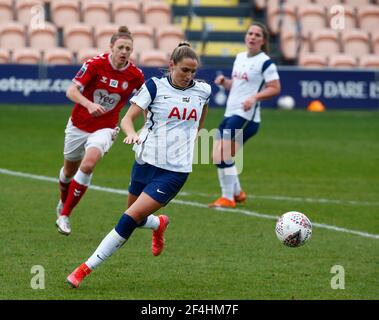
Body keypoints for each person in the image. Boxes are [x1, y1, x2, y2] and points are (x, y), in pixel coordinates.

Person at [66, 42, 211, 288]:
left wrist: (195, 133)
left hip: (174, 171)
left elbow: (202, 110)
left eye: (193, 71)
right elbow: (127, 119)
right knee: (136, 217)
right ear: (171, 66)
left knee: (128, 217)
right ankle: (158, 223)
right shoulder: (154, 87)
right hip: (145, 161)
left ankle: (83, 269)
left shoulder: (203, 90)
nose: (189, 76)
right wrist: (133, 133)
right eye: (184, 70)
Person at [55, 26, 145, 235]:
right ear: (111, 47)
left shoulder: (135, 74)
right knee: (69, 171)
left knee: (88, 165)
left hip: (105, 128)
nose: (124, 52)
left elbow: (145, 100)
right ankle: (63, 202)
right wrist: (89, 105)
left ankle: (65, 214)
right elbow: (71, 91)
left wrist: (146, 124)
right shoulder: (95, 65)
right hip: (78, 125)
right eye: (121, 47)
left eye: (128, 49)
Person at [208, 22, 281, 208]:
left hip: (246, 117)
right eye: (250, 33)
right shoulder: (240, 57)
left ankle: (228, 198)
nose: (253, 37)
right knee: (217, 155)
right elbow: (238, 86)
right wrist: (225, 82)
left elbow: (275, 88)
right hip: (231, 112)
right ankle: (237, 192)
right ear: (246, 36)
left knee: (222, 155)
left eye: (257, 35)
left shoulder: (266, 62)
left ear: (263, 40)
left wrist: (254, 98)